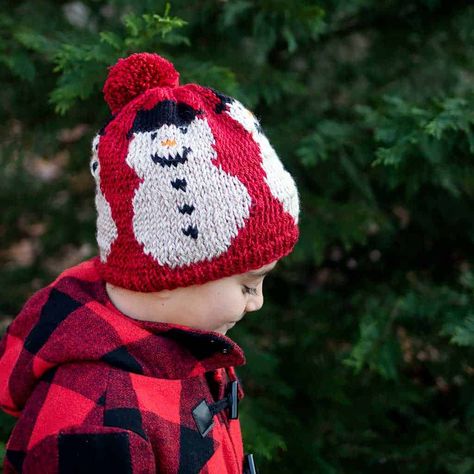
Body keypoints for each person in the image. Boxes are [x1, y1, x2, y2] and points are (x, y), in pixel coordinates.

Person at [0, 52, 300, 473]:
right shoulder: (98, 421)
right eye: (249, 284)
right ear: (170, 274)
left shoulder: (181, 349)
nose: (257, 302)